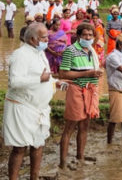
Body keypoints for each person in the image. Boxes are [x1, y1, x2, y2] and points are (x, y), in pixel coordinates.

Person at [3, 23, 68, 180]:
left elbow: (46, 75)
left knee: (38, 144)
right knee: (19, 148)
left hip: (39, 109)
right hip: (22, 108)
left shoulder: (40, 53)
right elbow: (15, 82)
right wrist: (39, 79)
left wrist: (56, 83)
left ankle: (35, 177)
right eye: (44, 37)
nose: (48, 39)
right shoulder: (20, 55)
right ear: (33, 39)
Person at [59, 23, 103, 169]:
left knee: (85, 125)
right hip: (76, 89)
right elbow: (63, 74)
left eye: (90, 35)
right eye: (85, 35)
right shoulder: (70, 51)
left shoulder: (92, 50)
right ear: (78, 36)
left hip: (91, 89)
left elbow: (92, 69)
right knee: (70, 126)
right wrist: (87, 73)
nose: (88, 37)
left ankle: (80, 156)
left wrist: (95, 73)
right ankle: (63, 163)